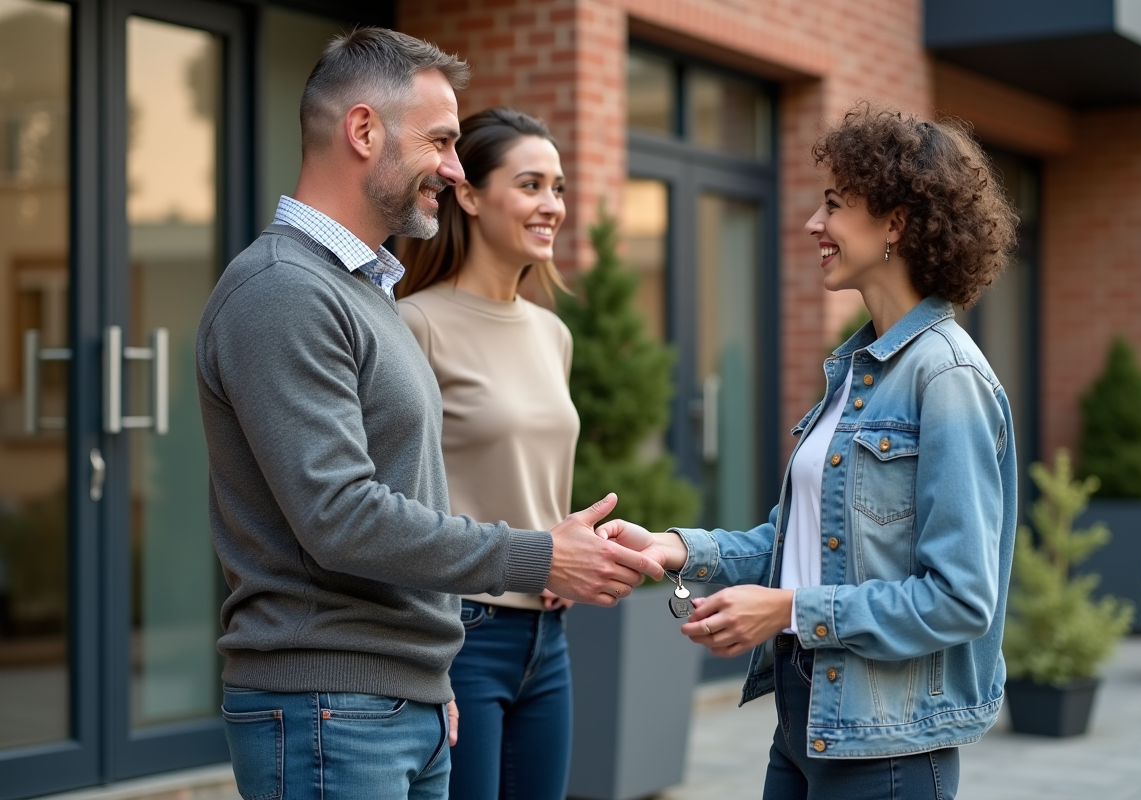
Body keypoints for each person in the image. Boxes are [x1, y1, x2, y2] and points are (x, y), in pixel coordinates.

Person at [196, 29, 663, 800]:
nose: (453, 166)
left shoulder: (364, 292)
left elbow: (413, 493)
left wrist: (431, 672)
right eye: (441, 141)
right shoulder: (282, 291)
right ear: (363, 130)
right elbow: (340, 516)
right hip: (330, 709)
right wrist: (537, 556)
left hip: (396, 699)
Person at [602, 104, 1020, 800]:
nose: (811, 224)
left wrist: (788, 611)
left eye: (833, 204)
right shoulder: (857, 370)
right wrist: (676, 548)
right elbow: (803, 543)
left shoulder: (947, 377)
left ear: (896, 223)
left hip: (887, 744)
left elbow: (959, 599)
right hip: (808, 715)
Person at [396, 106, 578, 800]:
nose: (552, 205)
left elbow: (531, 470)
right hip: (461, 630)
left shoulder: (552, 333)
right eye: (531, 185)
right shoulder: (416, 324)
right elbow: (398, 498)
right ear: (469, 196)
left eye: (558, 188)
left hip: (547, 636)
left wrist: (561, 550)